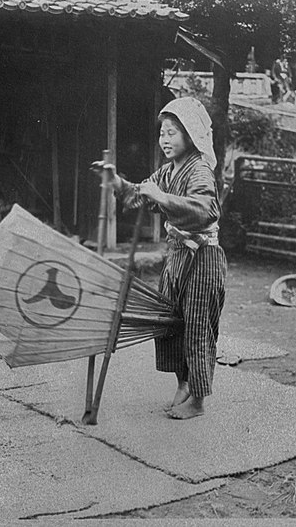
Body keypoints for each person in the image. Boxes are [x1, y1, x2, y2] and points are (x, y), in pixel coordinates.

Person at [91, 97, 227, 420]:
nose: (165, 140)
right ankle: (183, 383)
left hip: (202, 260)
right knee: (168, 323)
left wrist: (164, 198)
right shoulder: (168, 171)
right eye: (162, 133)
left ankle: (198, 399)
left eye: (172, 133)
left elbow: (207, 210)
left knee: (196, 327)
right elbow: (141, 194)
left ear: (190, 136)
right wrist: (116, 183)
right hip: (176, 257)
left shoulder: (200, 172)